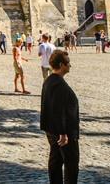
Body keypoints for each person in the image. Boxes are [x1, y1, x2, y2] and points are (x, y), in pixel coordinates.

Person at [41, 50, 80, 184]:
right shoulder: (58, 84)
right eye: (67, 63)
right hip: (64, 132)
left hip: (52, 129)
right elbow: (58, 110)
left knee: (56, 160)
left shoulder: (49, 80)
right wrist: (63, 133)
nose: (70, 65)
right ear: (60, 64)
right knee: (71, 164)